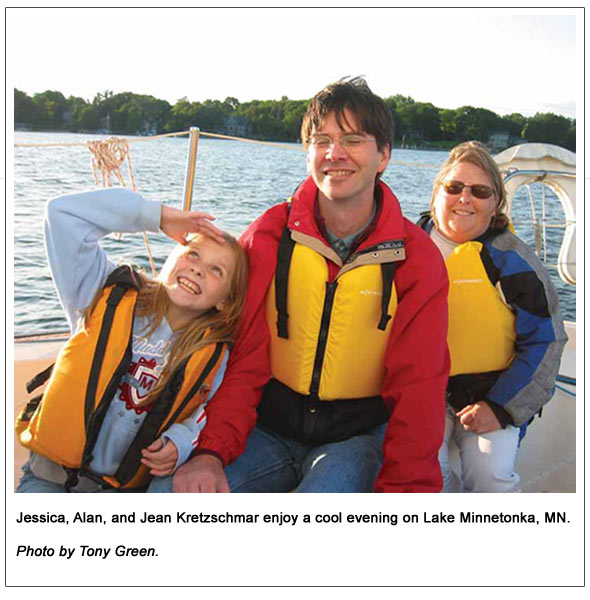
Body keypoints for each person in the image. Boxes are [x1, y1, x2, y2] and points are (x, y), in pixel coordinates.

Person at [149, 77, 450, 493]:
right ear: (307, 152)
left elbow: (420, 389)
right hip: (264, 429)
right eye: (321, 140)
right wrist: (210, 453)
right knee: (165, 496)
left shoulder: (417, 259)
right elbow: (241, 355)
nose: (334, 154)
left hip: (356, 439)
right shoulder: (270, 235)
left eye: (353, 140)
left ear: (383, 156)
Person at [16, 187, 248, 492]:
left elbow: (201, 414)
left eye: (216, 270)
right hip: (50, 479)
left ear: (225, 302)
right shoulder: (102, 293)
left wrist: (180, 441)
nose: (197, 269)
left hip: (121, 491)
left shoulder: (210, 352)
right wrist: (158, 216)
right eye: (193, 254)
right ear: (172, 255)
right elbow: (62, 215)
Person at [418, 141, 567, 492]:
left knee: (491, 477)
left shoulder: (514, 261)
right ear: (437, 192)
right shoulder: (405, 248)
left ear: (496, 204)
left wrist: (500, 407)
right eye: (454, 187)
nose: (465, 199)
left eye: (480, 191)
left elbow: (547, 339)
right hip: (421, 393)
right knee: (420, 472)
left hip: (492, 393)